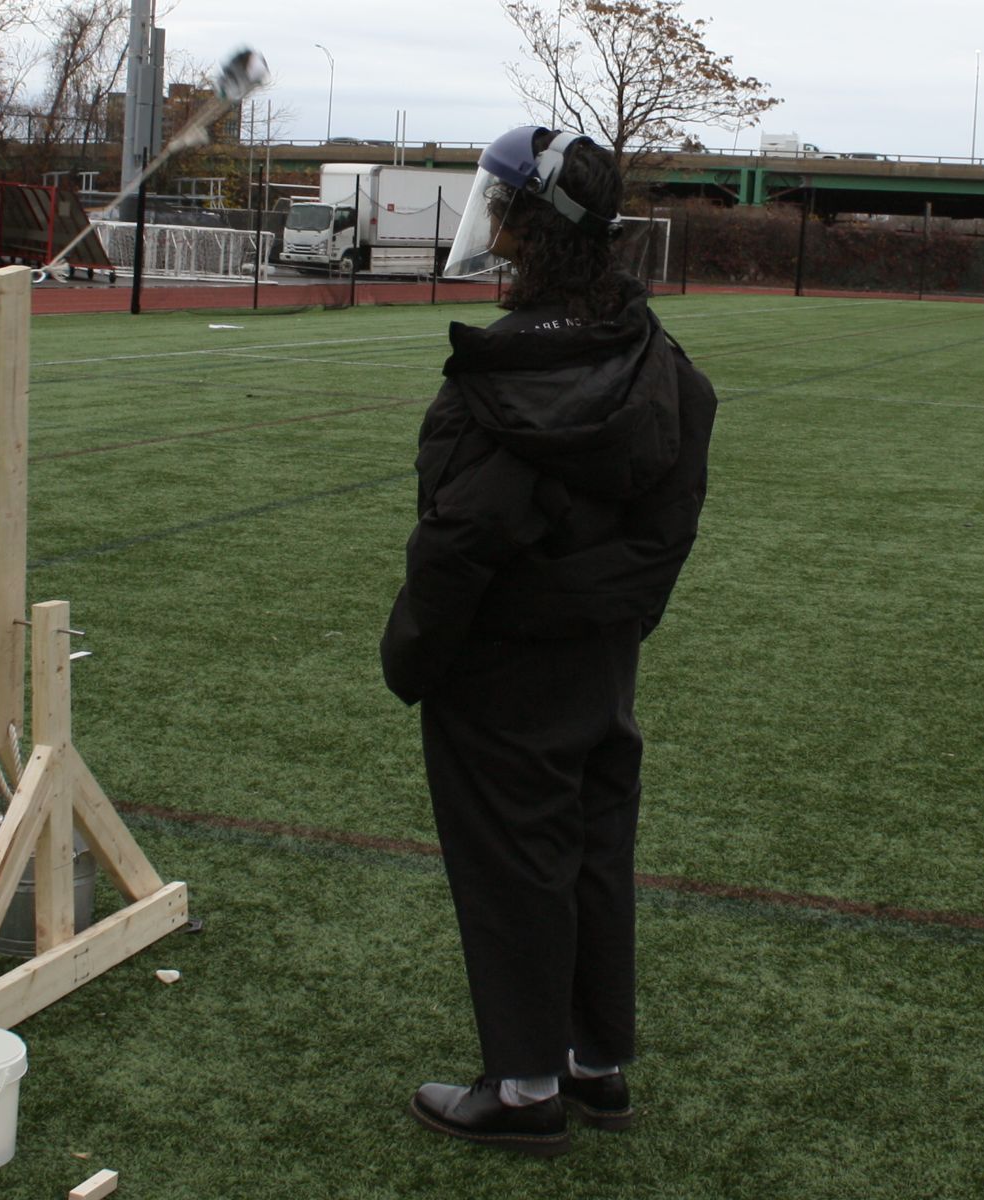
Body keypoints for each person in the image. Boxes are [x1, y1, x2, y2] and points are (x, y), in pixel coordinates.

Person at [380, 126, 717, 1157]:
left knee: (515, 864)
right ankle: (593, 1064)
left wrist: (415, 655)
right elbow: (668, 525)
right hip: (598, 656)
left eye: (503, 206)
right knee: (590, 851)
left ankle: (526, 1087)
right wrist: (607, 611)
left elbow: (463, 536)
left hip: (505, 663)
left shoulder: (504, 378)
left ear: (531, 225)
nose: (491, 223)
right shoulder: (656, 359)